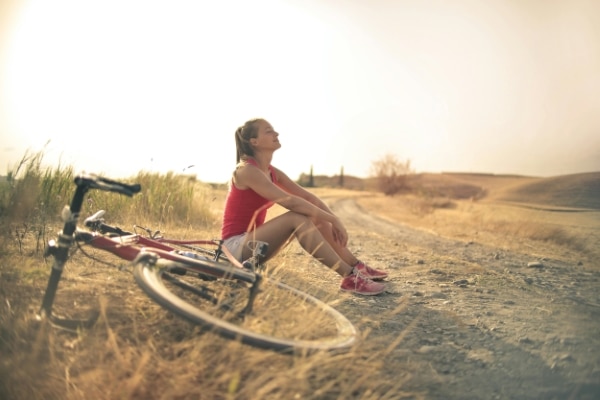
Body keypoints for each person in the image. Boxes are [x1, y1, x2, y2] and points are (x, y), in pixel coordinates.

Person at [221, 118, 388, 296]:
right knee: (296, 217)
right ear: (253, 141)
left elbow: (307, 197)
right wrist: (333, 219)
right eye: (268, 131)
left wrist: (330, 219)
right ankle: (349, 277)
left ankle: (356, 267)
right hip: (234, 248)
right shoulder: (246, 170)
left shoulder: (271, 172)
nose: (276, 133)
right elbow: (290, 201)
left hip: (256, 247)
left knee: (315, 215)